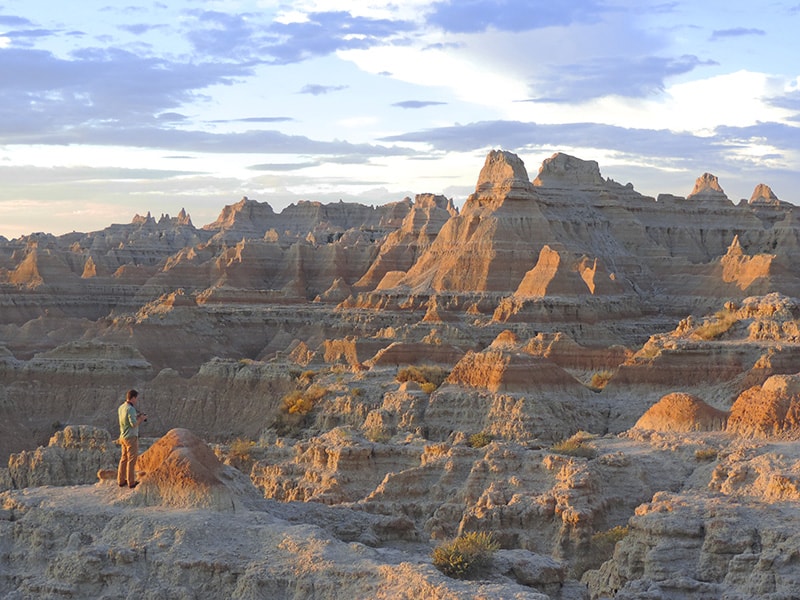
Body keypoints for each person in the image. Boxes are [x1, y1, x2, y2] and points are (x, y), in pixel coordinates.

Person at [117, 389, 147, 489]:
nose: (137, 401)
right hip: (131, 437)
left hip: (123, 436)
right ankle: (131, 482)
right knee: (131, 460)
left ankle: (121, 480)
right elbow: (133, 424)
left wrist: (137, 416)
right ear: (133, 398)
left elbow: (126, 420)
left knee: (123, 459)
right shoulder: (131, 409)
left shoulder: (121, 407)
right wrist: (141, 419)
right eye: (136, 398)